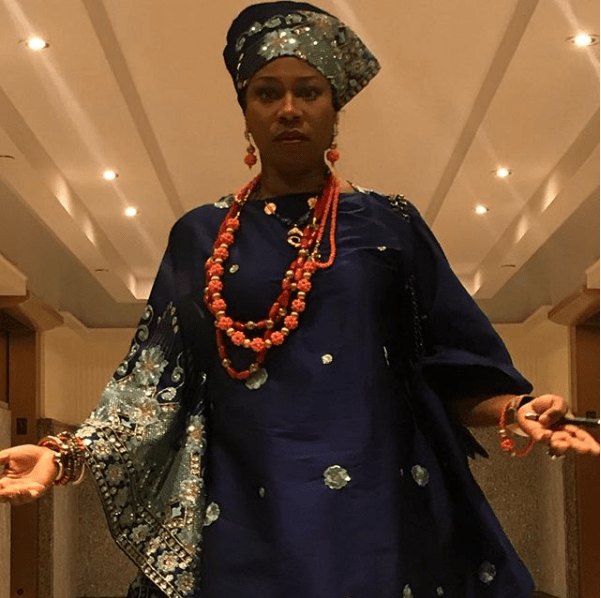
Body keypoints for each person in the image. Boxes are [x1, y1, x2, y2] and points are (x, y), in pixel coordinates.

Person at [0, 2, 598, 597]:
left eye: (309, 91)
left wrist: (515, 408)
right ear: (246, 113)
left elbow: (451, 364)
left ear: (335, 110)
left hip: (381, 508)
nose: (289, 108)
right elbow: (152, 384)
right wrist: (64, 453)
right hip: (245, 508)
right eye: (267, 93)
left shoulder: (391, 224)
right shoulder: (199, 235)